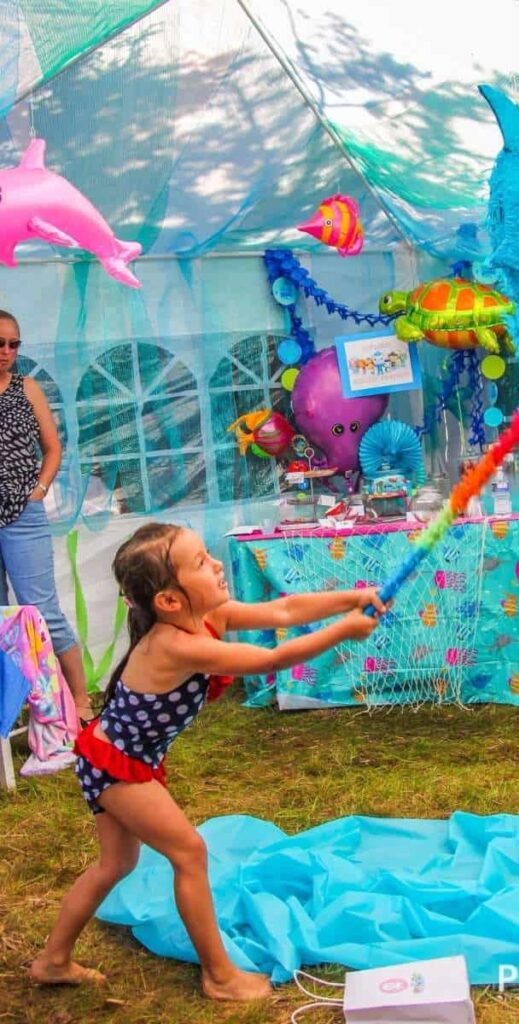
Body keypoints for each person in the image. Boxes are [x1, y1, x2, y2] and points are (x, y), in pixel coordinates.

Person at [30, 522, 386, 1002]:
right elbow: (271, 659)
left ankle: (52, 961)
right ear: (170, 602)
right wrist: (345, 630)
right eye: (199, 562)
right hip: (117, 766)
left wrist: (350, 597)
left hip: (113, 756)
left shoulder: (209, 616)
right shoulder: (176, 644)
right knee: (188, 853)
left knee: (114, 865)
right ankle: (219, 977)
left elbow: (282, 610)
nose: (217, 564)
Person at [0, 310, 93, 723]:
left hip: (23, 512)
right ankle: (15, 710)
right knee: (0, 619)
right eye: (0, 344)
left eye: (14, 344)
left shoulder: (27, 387)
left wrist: (38, 491)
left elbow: (53, 448)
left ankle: (81, 700)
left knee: (41, 611)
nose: (6, 352)